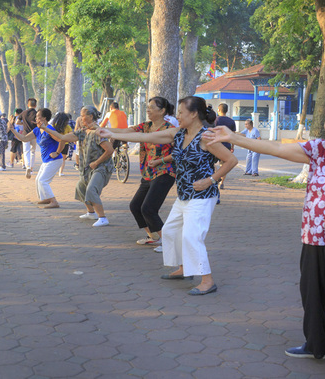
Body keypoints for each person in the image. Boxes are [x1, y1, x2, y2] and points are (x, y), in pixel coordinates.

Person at [205, 96, 325, 378]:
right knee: (311, 293)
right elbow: (273, 147)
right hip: (314, 235)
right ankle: (316, 345)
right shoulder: (320, 149)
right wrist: (234, 137)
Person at [99, 96, 237, 295]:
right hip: (184, 194)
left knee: (192, 236)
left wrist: (211, 180)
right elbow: (144, 137)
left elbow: (231, 160)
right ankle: (184, 268)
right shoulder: (178, 134)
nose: (178, 116)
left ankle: (207, 280)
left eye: (181, 113)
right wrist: (110, 132)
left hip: (202, 195)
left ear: (194, 114)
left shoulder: (206, 137)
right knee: (171, 231)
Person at [101, 97, 177, 247]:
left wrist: (160, 161)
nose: (147, 110)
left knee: (148, 208)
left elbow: (178, 153)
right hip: (148, 172)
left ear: (162, 111)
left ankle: (169, 244)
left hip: (164, 172)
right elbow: (125, 131)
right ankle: (154, 236)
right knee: (135, 206)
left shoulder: (169, 130)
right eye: (147, 107)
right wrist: (104, 130)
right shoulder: (145, 126)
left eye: (151, 108)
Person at [43, 106, 114, 227]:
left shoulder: (98, 132)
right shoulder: (82, 132)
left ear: (91, 116)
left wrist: (96, 162)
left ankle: (102, 217)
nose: (80, 118)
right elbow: (63, 138)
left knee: (92, 189)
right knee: (81, 187)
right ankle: (91, 213)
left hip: (101, 167)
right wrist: (45, 128)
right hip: (88, 168)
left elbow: (110, 150)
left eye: (82, 115)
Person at [10, 109, 63, 209]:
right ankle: (46, 198)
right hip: (46, 160)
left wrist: (57, 153)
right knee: (38, 179)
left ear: (44, 118)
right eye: (36, 117)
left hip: (55, 160)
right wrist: (12, 129)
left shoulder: (50, 129)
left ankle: (54, 201)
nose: (36, 118)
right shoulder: (37, 130)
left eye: (38, 116)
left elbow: (61, 140)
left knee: (43, 181)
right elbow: (24, 138)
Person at [214, 103, 236, 189]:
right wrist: (232, 147)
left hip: (216, 145)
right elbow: (233, 136)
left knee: (211, 163)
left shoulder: (215, 120)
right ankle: (222, 183)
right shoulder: (231, 121)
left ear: (218, 110)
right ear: (227, 111)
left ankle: (217, 175)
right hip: (227, 145)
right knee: (224, 165)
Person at [50, 112, 73, 176]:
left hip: (56, 143)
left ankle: (53, 170)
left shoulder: (54, 126)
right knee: (63, 159)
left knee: (54, 157)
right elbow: (71, 133)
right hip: (65, 144)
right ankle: (60, 172)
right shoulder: (67, 127)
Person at [21, 98, 39, 179]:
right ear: (35, 105)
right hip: (34, 135)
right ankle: (31, 168)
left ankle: (27, 166)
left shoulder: (23, 113)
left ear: (28, 105)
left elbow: (17, 122)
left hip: (25, 135)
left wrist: (24, 123)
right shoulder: (37, 113)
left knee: (26, 151)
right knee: (33, 151)